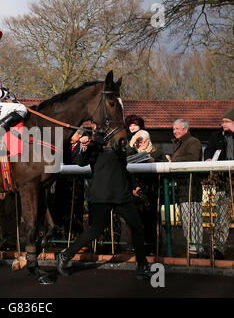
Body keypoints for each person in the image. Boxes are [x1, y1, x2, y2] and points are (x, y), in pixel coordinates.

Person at [56, 130, 153, 280]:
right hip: (102, 194)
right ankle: (65, 255)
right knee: (95, 230)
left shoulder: (120, 144)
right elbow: (81, 162)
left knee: (137, 227)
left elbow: (123, 168)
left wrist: (134, 185)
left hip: (122, 193)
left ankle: (142, 266)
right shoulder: (95, 144)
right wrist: (85, 146)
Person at [166, 119, 203, 256]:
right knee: (186, 220)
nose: (175, 131)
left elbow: (192, 158)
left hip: (191, 186)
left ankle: (196, 247)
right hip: (182, 187)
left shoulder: (193, 142)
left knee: (193, 219)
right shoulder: (179, 143)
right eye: (173, 129)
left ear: (186, 129)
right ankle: (192, 246)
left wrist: (171, 161)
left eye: (177, 129)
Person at [201, 107, 234, 259]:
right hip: (223, 181)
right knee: (222, 215)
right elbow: (209, 150)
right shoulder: (216, 136)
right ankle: (218, 248)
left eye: (227, 122)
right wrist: (208, 159)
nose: (223, 125)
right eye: (223, 122)